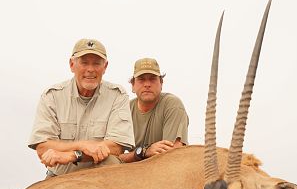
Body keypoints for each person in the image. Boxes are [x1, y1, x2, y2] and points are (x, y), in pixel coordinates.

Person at [28, 38, 135, 178]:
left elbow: (116, 147)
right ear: (72, 65)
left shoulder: (117, 95)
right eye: (84, 63)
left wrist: (73, 155)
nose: (90, 69)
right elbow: (42, 147)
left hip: (100, 174)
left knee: (111, 161)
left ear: (105, 67)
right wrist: (83, 145)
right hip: (59, 176)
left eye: (96, 63)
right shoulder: (52, 96)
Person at [120, 58, 188, 163]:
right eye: (141, 79)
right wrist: (144, 152)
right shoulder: (124, 109)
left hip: (164, 171)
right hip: (133, 171)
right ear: (133, 86)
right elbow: (114, 158)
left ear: (161, 84)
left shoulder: (172, 105)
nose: (147, 84)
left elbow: (173, 153)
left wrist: (134, 156)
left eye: (152, 79)